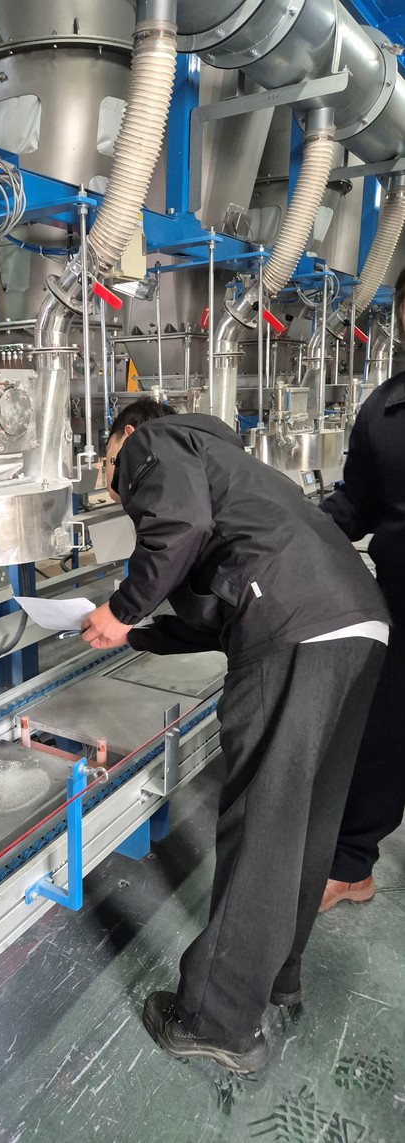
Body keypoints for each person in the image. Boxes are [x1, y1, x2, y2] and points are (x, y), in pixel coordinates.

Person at [81, 396, 387, 1073]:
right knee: (307, 821)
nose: (112, 480)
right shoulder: (231, 469)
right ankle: (276, 975)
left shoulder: (156, 441)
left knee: (262, 825)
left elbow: (177, 525)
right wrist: (137, 633)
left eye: (107, 464)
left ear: (127, 435)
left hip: (294, 630)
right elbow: (210, 613)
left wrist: (121, 608)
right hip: (358, 624)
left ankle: (216, 1020)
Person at [318, 267, 405, 912]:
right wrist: (299, 525)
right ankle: (352, 866)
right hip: (399, 603)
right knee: (380, 732)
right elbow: (359, 502)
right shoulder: (386, 409)